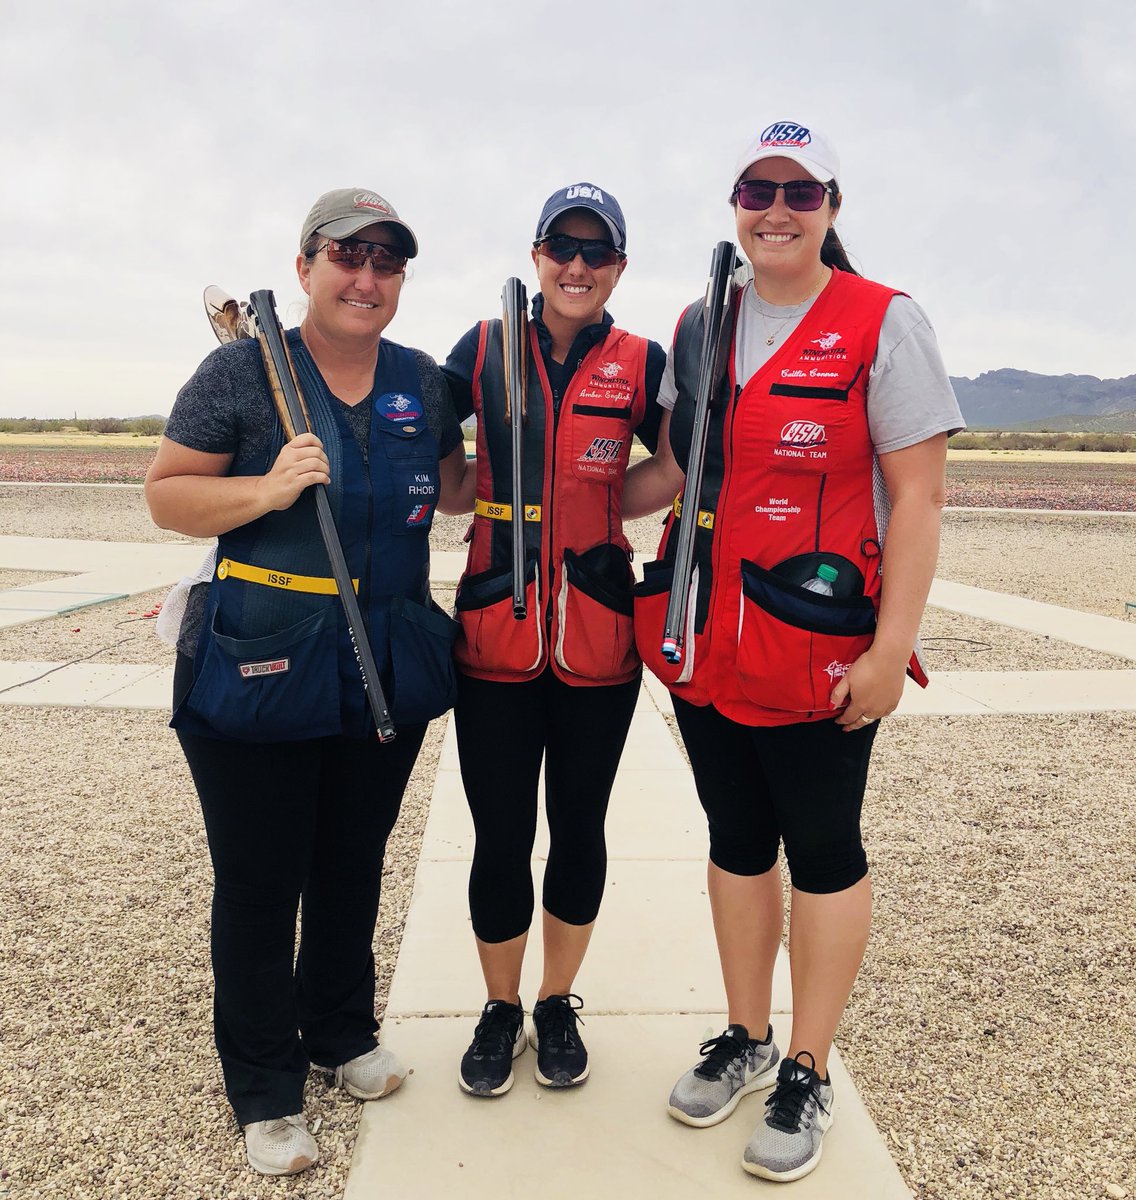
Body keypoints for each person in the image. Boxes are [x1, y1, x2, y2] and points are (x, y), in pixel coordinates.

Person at [623, 121, 964, 1182]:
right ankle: (745, 1033)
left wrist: (889, 647)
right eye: (755, 188)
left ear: (830, 203)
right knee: (733, 836)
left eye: (797, 191)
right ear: (733, 200)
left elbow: (916, 497)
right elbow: (678, 469)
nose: (775, 208)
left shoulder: (882, 321)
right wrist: (552, 507)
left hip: (817, 647)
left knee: (820, 845)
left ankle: (806, 1064)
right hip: (705, 645)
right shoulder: (700, 320)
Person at [145, 188, 466, 1177]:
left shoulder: (424, 381)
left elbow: (453, 487)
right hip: (261, 663)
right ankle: (265, 1083)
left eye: (387, 262)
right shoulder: (242, 372)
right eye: (347, 257)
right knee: (257, 881)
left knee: (349, 860)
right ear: (305, 269)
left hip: (383, 662)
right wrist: (271, 489)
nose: (366, 278)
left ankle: (337, 1032)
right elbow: (166, 494)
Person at [438, 183, 666, 1097]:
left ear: (618, 267)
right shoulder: (485, 344)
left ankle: (557, 1002)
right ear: (536, 256)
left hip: (600, 641)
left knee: (579, 828)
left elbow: (684, 462)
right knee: (500, 834)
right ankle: (500, 1008)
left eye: (596, 252)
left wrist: (612, 506)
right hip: (496, 634)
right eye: (561, 248)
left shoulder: (642, 360)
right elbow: (429, 455)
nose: (577, 267)